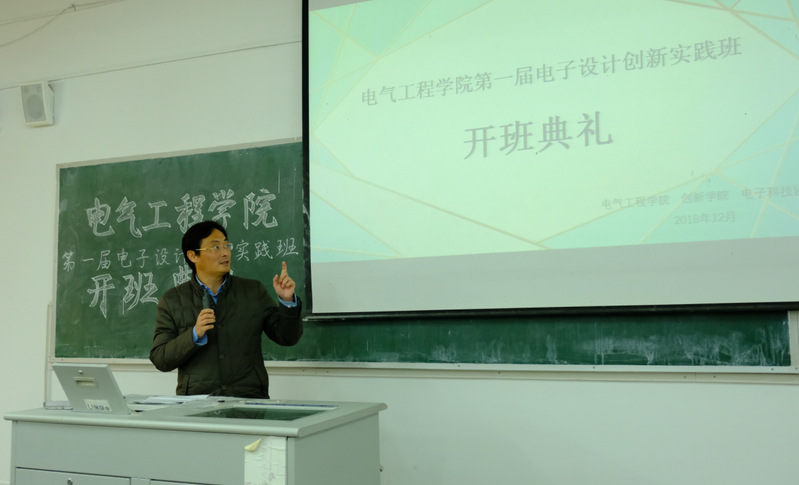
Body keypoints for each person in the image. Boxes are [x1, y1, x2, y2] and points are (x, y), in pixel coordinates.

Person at [150, 220, 303, 398]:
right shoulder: (173, 300)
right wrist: (194, 334)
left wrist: (287, 301)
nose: (225, 252)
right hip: (198, 403)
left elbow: (287, 337)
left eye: (226, 245)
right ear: (193, 256)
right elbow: (161, 359)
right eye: (216, 247)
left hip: (248, 400)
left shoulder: (253, 291)